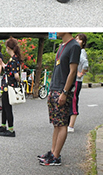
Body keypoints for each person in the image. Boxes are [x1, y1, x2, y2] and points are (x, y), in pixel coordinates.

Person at [38, 32, 81, 166]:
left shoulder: (74, 46)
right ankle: (52, 152)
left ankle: (56, 156)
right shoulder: (62, 45)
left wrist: (65, 92)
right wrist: (51, 89)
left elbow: (72, 71)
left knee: (62, 123)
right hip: (54, 88)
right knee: (56, 123)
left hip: (63, 90)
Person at [0, 37, 22, 138]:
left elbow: (16, 74)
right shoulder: (13, 59)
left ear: (9, 48)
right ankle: (3, 126)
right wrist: (1, 63)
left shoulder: (14, 60)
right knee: (5, 107)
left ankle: (11, 129)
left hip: (8, 87)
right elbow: (8, 69)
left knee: (7, 108)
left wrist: (17, 80)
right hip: (6, 86)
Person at [68, 34, 89, 132]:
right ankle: (68, 123)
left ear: (83, 43)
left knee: (73, 101)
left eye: (80, 39)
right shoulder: (75, 50)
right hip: (71, 79)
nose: (77, 40)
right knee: (69, 100)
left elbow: (85, 64)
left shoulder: (81, 52)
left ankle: (71, 126)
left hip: (76, 81)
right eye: (76, 38)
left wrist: (80, 73)